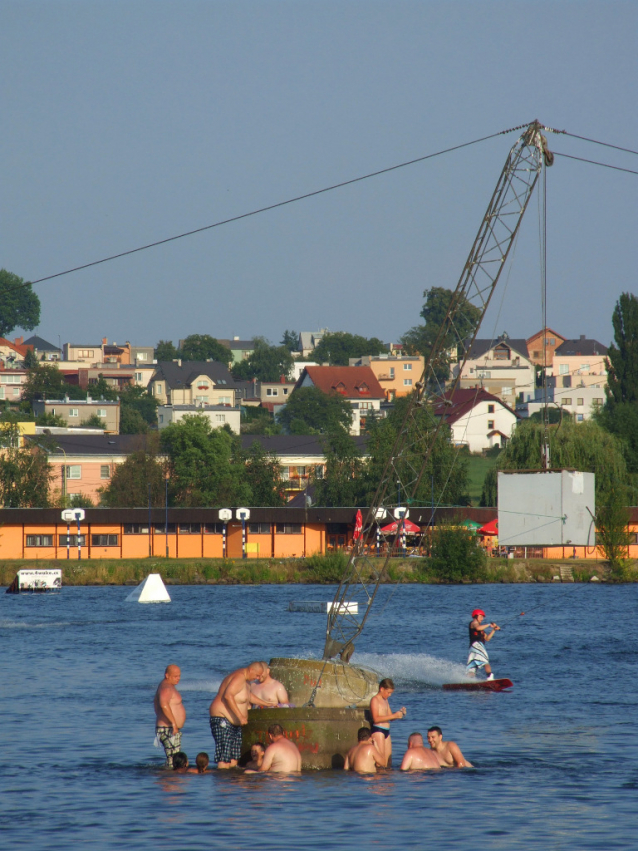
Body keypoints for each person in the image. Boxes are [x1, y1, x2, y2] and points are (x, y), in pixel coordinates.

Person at [209, 661, 266, 768]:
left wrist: (267, 703)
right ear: (251, 670)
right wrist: (240, 716)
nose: (258, 678)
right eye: (257, 675)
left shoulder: (246, 681)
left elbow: (248, 696)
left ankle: (232, 782)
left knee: (234, 757)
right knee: (224, 756)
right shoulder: (239, 677)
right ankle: (222, 782)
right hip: (222, 719)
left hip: (235, 723)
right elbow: (228, 695)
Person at [154, 664, 186, 768]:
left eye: (179, 676)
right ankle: (171, 782)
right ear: (167, 675)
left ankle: (170, 780)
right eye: (175, 676)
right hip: (168, 728)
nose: (178, 679)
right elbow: (163, 705)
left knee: (173, 758)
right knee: (174, 760)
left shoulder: (165, 686)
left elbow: (155, 704)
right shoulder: (166, 688)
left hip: (168, 727)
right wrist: (173, 723)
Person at [370, 678, 406, 767]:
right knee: (380, 761)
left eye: (391, 693)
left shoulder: (386, 700)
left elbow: (391, 717)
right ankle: (379, 780)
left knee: (388, 761)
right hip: (378, 730)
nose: (389, 695)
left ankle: (387, 780)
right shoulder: (375, 700)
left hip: (387, 731)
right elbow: (376, 719)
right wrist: (394, 716)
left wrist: (400, 714)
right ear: (382, 689)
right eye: (388, 692)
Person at [466, 608, 500, 679]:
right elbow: (477, 628)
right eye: (481, 616)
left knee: (472, 666)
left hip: (473, 647)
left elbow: (487, 638)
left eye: (483, 617)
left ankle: (468, 680)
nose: (482, 619)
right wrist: (489, 624)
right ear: (476, 616)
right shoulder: (473, 623)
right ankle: (490, 676)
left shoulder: (481, 629)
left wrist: (493, 630)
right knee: (485, 661)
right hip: (476, 645)